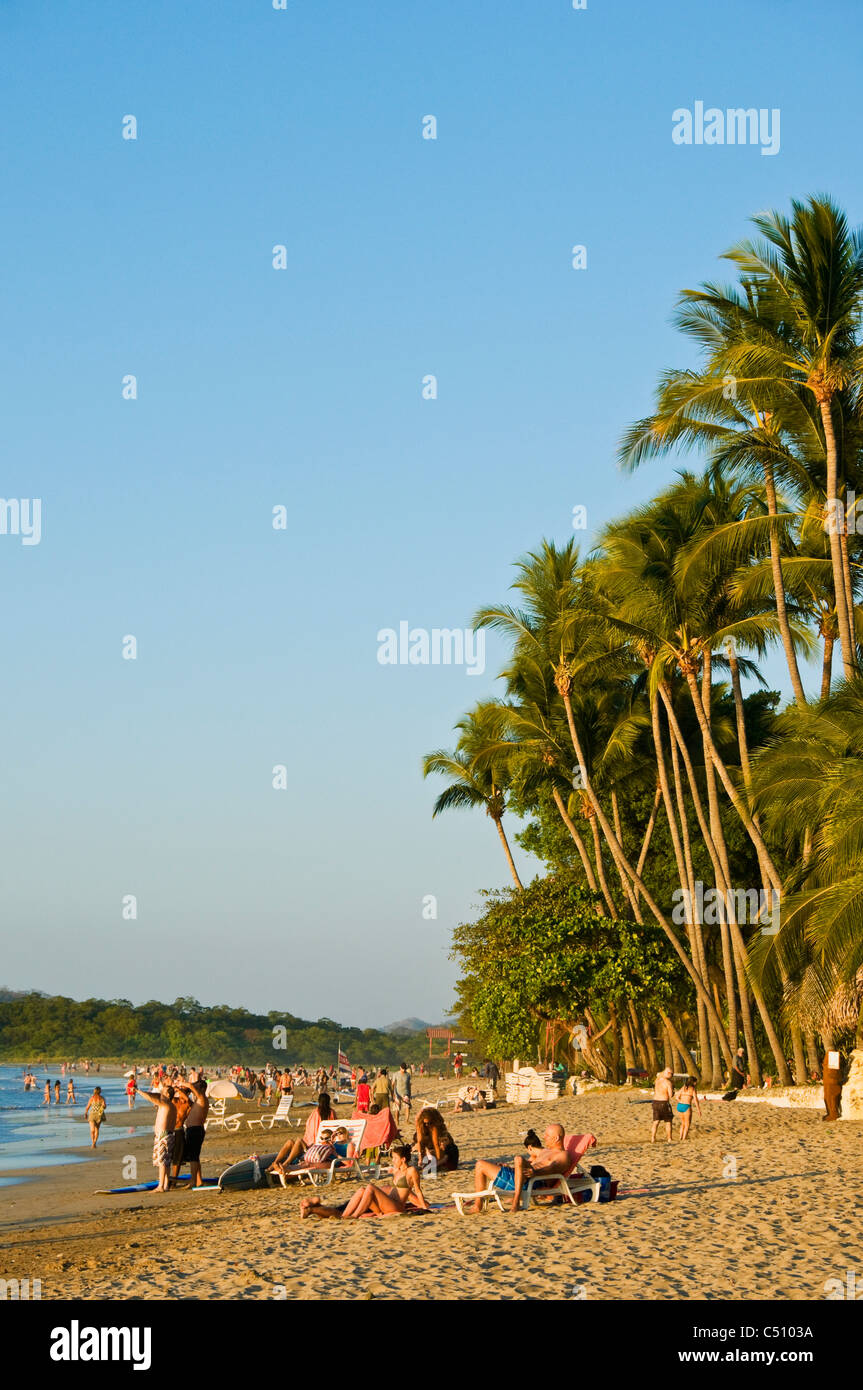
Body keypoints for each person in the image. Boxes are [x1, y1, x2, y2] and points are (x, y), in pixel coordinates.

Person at [300, 1143, 430, 1219]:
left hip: (396, 1206)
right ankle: (344, 1216)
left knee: (370, 1187)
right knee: (363, 1189)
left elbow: (417, 1191)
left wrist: (424, 1206)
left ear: (403, 1159)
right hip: (388, 1203)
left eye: (395, 1158)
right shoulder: (396, 1170)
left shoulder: (411, 1171)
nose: (393, 1161)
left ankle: (353, 1216)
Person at [467, 1123, 572, 1213]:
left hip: (534, 1181)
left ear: (556, 1138)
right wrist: (511, 1168)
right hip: (521, 1177)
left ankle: (516, 1202)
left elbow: (553, 1169)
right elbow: (529, 1163)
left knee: (518, 1158)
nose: (544, 1137)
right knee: (480, 1164)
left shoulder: (563, 1155)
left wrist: (536, 1172)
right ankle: (478, 1205)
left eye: (547, 1135)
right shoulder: (545, 1151)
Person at [141, 1084, 178, 1191]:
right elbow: (155, 1096)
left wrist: (139, 1091)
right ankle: (165, 1185)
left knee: (162, 1162)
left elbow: (151, 1098)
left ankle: (161, 1186)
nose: (161, 1092)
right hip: (166, 1135)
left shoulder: (166, 1104)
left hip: (164, 1135)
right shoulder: (168, 1104)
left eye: (163, 1091)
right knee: (165, 1162)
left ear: (167, 1094)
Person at [414, 1106, 459, 1172]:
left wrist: (438, 1161)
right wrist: (420, 1157)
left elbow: (436, 1144)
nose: (426, 1125)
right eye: (425, 1123)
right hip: (430, 1147)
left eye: (428, 1123)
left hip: (441, 1146)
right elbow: (420, 1142)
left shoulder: (435, 1126)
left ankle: (437, 1163)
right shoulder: (420, 1125)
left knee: (443, 1149)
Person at [651, 1067, 674, 1142]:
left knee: (656, 1121)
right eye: (672, 1074)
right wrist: (673, 1092)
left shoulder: (657, 1080)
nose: (672, 1076)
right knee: (668, 1121)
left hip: (655, 1101)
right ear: (668, 1073)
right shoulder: (668, 1083)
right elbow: (670, 1095)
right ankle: (669, 1138)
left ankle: (653, 1137)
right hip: (664, 1102)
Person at [674, 1076, 701, 1141]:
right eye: (695, 1082)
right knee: (687, 1124)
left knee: (683, 1123)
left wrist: (680, 1101)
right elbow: (696, 1100)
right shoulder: (693, 1089)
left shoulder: (683, 1087)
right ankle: (684, 1138)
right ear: (693, 1082)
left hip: (680, 1105)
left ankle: (680, 1137)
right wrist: (698, 1110)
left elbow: (677, 1096)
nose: (696, 1084)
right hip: (686, 1106)